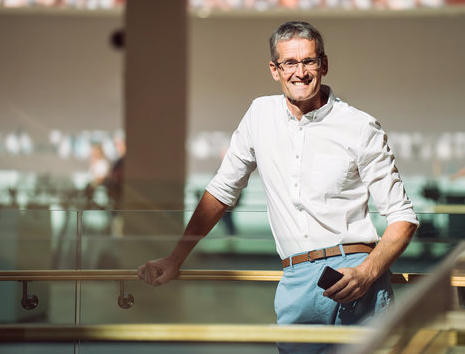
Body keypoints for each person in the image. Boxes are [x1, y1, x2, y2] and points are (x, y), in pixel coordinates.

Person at [138, 21, 418, 353]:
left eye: (309, 61)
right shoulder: (259, 115)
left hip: (356, 275)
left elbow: (403, 217)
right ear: (275, 69)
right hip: (296, 281)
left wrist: (368, 272)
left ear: (323, 65)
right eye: (289, 63)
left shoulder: (359, 127)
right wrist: (176, 257)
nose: (300, 72)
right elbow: (221, 191)